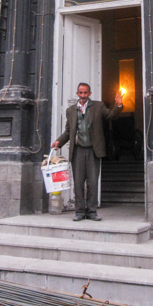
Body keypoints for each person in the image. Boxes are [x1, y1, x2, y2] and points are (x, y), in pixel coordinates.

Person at [51, 83, 123, 221]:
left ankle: (91, 212)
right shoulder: (71, 110)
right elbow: (68, 131)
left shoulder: (98, 106)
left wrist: (118, 105)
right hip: (77, 150)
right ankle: (79, 211)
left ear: (89, 94)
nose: (83, 96)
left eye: (85, 93)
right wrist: (58, 142)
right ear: (77, 94)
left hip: (93, 150)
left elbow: (111, 116)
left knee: (92, 182)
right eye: (80, 93)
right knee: (78, 182)